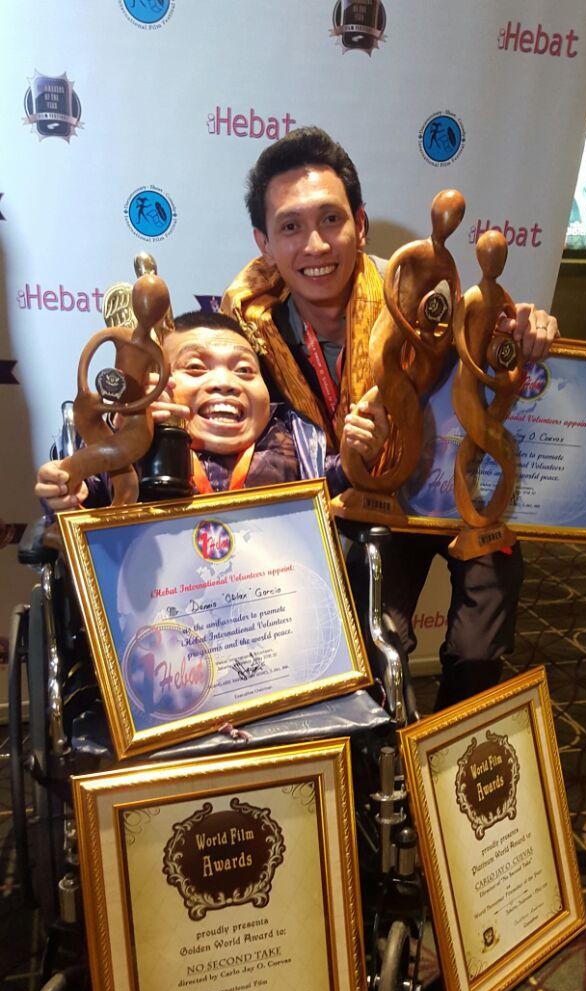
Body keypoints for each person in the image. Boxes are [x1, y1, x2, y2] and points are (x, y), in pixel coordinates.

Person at [222, 126, 559, 709]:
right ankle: (382, 775)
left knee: (480, 642)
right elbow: (196, 384)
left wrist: (524, 333)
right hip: (367, 503)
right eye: (291, 227)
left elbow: (492, 337)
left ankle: (451, 773)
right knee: (379, 650)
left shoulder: (422, 294)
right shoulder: (250, 331)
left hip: (459, 493)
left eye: (332, 220)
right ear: (264, 243)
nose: (316, 245)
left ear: (361, 224)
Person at [35, 310, 387, 513]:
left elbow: (335, 479)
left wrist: (361, 451)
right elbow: (84, 493)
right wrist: (65, 491)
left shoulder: (294, 445)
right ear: (156, 383)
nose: (225, 382)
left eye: (246, 371)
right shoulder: (131, 447)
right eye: (196, 368)